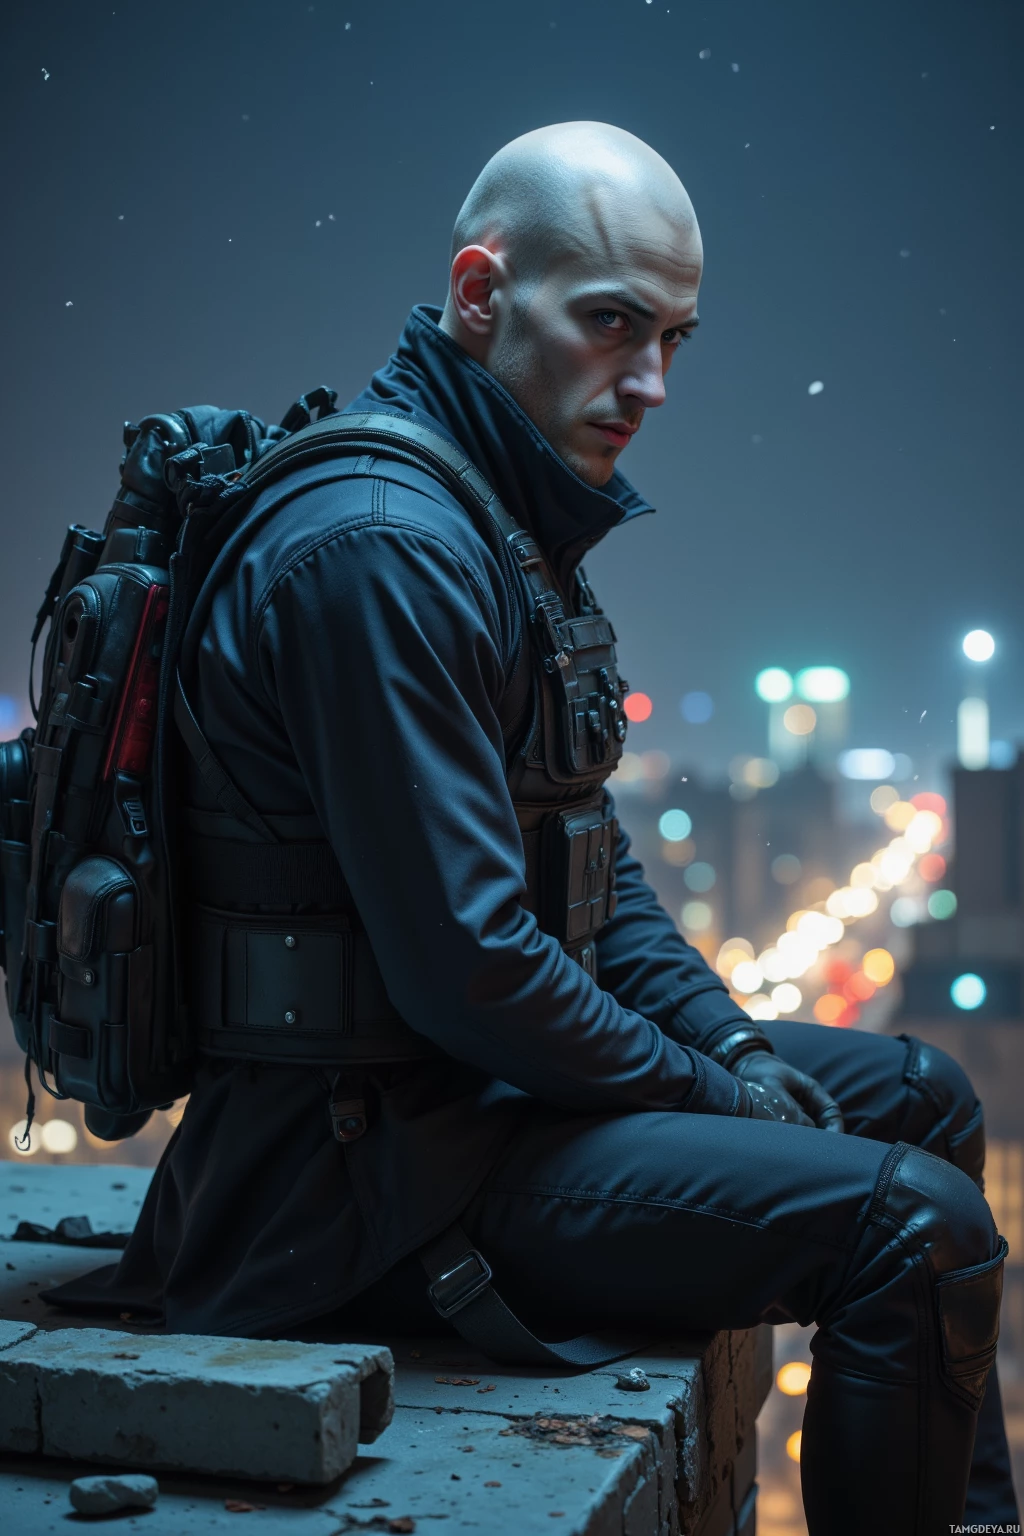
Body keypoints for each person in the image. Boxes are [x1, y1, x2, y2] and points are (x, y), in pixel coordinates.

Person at [51, 123, 1016, 1533]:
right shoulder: (380, 547)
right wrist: (709, 1096)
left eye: (675, 336)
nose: (651, 382)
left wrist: (736, 1053)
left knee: (925, 1098)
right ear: (480, 294)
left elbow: (592, 870)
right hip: (355, 1183)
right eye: (613, 323)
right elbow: (474, 967)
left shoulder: (482, 517)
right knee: (911, 1229)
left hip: (465, 1113)